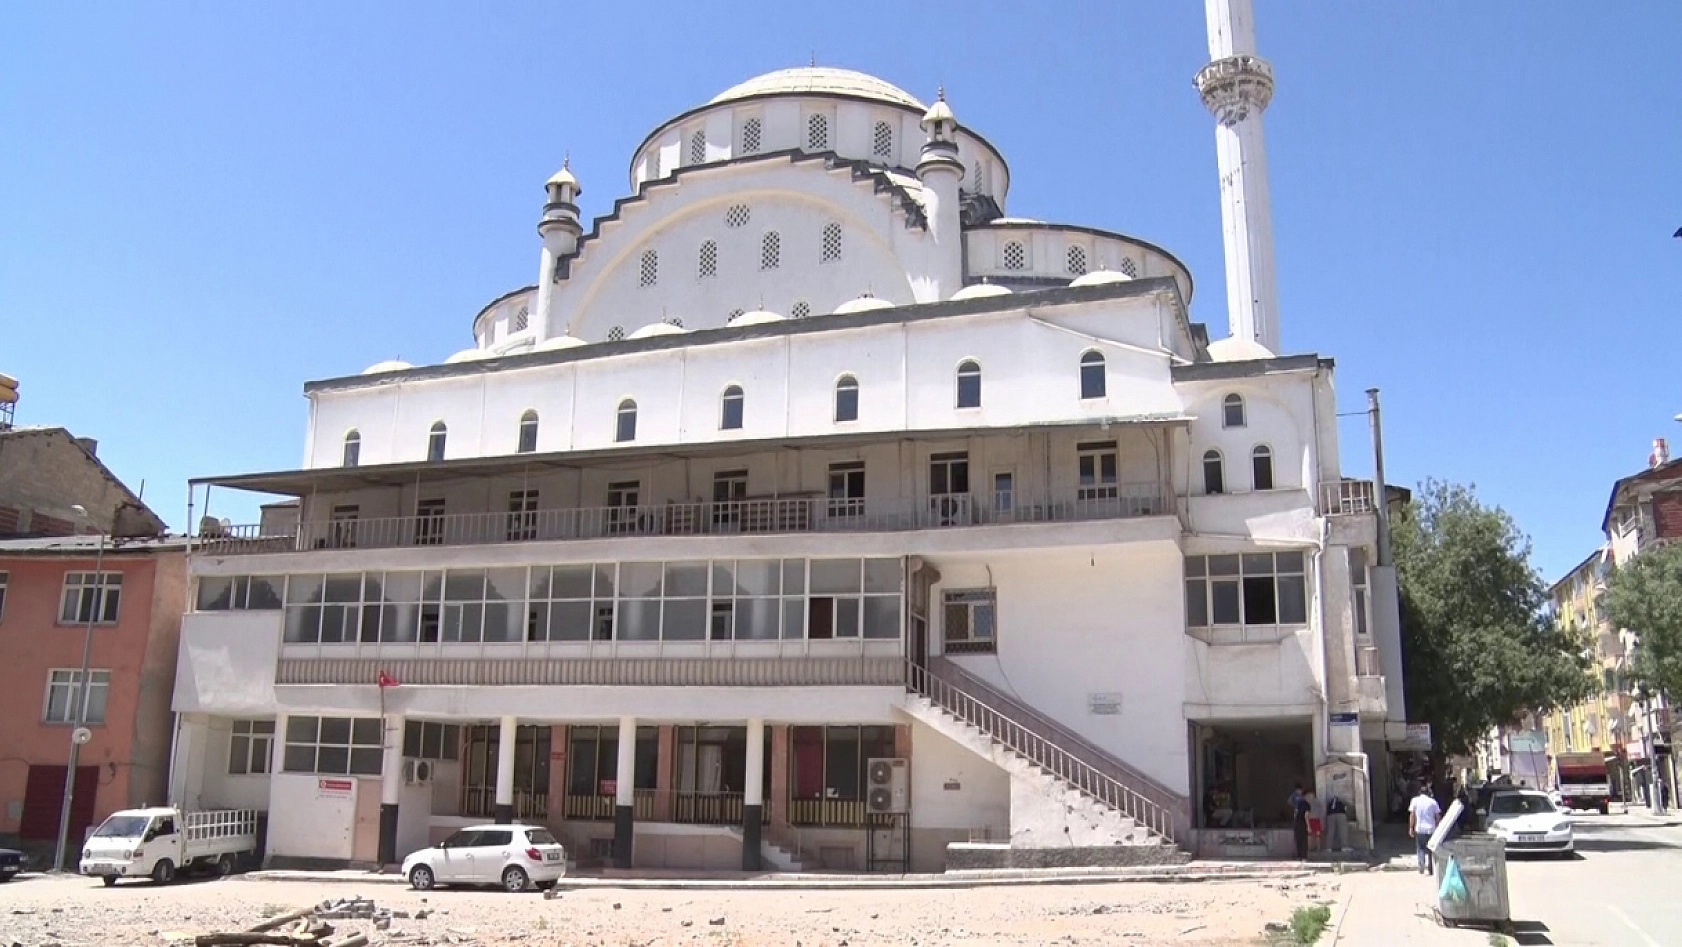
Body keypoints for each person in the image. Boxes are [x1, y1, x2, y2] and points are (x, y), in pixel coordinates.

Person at [1407, 783, 1442, 876]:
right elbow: (1437, 816)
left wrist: (1411, 827)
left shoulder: (1415, 801)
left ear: (1419, 792)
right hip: (1431, 829)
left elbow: (1412, 815)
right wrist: (1439, 827)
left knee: (1420, 848)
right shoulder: (1433, 802)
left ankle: (1421, 865)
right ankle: (1431, 869)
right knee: (1431, 849)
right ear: (1428, 793)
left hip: (1420, 828)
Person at [1288, 784, 1312, 860]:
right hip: (1302, 823)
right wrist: (1308, 826)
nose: (1311, 798)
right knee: (1304, 841)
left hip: (1297, 823)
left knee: (1298, 840)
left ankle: (1299, 856)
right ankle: (1304, 857)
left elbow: (1295, 813)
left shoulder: (1298, 804)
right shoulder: (1307, 804)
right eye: (1311, 796)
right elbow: (1306, 816)